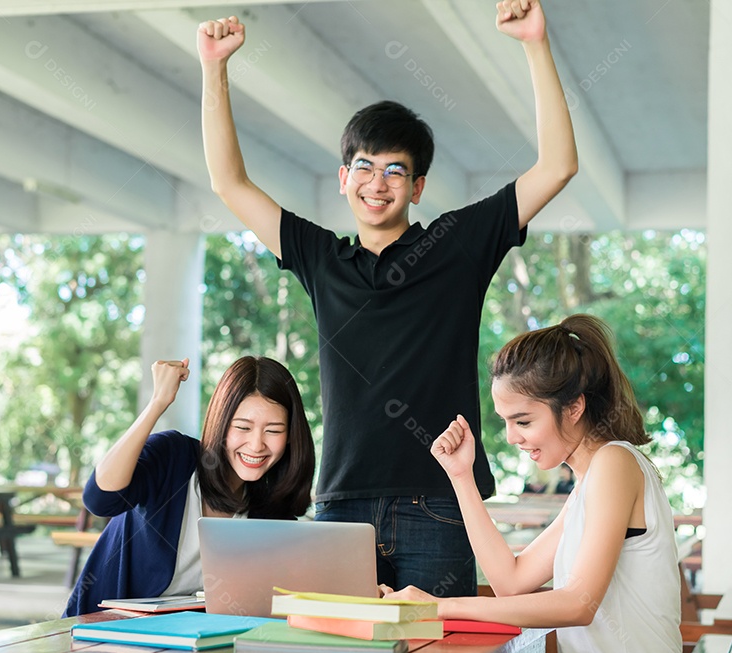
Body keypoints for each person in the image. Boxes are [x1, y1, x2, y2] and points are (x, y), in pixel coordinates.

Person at [198, 0, 577, 597]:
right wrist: (214, 69)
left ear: (418, 186)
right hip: (342, 506)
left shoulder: (457, 248)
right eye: (364, 167)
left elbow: (557, 166)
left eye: (396, 171)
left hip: (442, 502)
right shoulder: (321, 259)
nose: (378, 182)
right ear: (344, 177)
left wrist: (535, 43)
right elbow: (229, 183)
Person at [384, 314, 690, 653]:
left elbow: (578, 603)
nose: (512, 437)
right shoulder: (587, 485)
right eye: (506, 422)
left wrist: (439, 607)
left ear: (574, 407)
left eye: (524, 421)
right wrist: (461, 475)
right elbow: (509, 583)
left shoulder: (615, 463)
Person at [63, 356, 316, 617]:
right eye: (243, 427)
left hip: (189, 643)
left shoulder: (270, 509)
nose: (256, 445)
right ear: (221, 424)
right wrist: (157, 402)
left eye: (273, 431)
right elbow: (99, 500)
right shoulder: (174, 457)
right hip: (100, 632)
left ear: (290, 437)